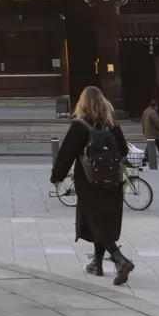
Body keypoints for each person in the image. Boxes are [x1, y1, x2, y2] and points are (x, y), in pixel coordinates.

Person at [51, 86, 135, 284]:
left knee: (95, 221)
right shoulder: (112, 125)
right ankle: (97, 263)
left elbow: (67, 153)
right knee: (103, 220)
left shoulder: (80, 125)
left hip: (88, 182)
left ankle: (119, 259)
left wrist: (57, 177)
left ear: (82, 103)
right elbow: (123, 151)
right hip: (113, 181)